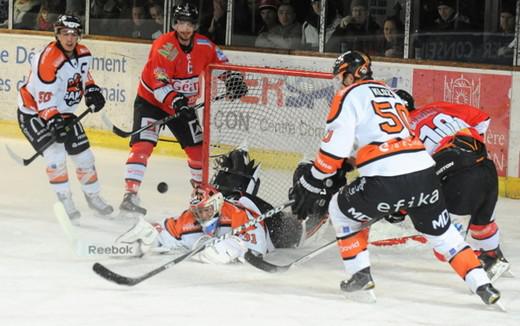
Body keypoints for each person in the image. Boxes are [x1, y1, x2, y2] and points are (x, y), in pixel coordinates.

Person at [289, 50, 501, 306]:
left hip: (386, 178)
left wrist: (315, 179)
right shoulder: (390, 94)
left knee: (339, 209)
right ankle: (484, 286)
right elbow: (393, 143)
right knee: (445, 237)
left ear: (349, 75)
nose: (339, 82)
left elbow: (335, 149)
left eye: (340, 77)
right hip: (424, 174)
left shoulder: (348, 94)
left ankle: (359, 275)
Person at [119, 2, 248, 216]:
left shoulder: (205, 46)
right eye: (181, 23)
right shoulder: (165, 47)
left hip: (183, 107)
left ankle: (200, 196)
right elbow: (159, 82)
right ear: (174, 24)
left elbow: (221, 63)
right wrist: (177, 101)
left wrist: (232, 79)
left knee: (197, 151)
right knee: (143, 146)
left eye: (189, 23)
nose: (185, 28)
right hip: (151, 103)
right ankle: (130, 195)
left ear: (196, 25)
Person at [396, 90, 511, 282]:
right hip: (486, 167)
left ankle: (485, 262)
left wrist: (401, 209)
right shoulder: (436, 107)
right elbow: (483, 118)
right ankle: (494, 255)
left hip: (460, 179)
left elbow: (410, 177)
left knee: (444, 246)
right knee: (482, 224)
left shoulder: (402, 132)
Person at [117, 149, 302, 262]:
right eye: (197, 211)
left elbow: (257, 251)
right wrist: (149, 234)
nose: (201, 216)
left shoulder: (239, 215)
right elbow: (166, 231)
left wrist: (229, 248)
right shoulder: (191, 218)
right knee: (234, 186)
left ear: (216, 205)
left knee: (295, 230)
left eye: (206, 211)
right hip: (233, 198)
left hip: (271, 227)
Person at [16, 14, 113, 221]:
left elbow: (84, 76)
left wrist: (92, 90)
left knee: (85, 157)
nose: (69, 38)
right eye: (64, 33)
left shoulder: (84, 53)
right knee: (55, 155)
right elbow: (44, 101)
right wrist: (53, 120)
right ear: (57, 34)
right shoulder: (47, 59)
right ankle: (65, 200)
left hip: (64, 112)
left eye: (74, 34)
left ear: (79, 35)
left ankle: (93, 196)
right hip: (34, 112)